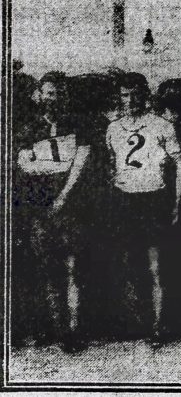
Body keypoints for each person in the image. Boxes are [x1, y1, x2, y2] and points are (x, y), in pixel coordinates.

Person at [14, 71, 92, 353]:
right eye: (48, 93)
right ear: (39, 95)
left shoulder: (79, 124)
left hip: (71, 207)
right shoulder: (28, 128)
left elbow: (79, 166)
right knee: (48, 269)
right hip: (39, 208)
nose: (53, 99)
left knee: (73, 268)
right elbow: (24, 165)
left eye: (58, 93)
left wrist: (61, 194)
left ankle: (73, 331)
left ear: (66, 96)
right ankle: (56, 329)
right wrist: (50, 169)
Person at [105, 72, 181, 349]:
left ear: (146, 95)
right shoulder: (113, 128)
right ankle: (133, 323)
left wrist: (177, 201)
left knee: (157, 266)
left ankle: (159, 326)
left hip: (154, 199)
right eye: (126, 94)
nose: (131, 99)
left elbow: (180, 165)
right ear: (120, 97)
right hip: (125, 200)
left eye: (136, 93)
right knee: (127, 262)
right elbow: (110, 164)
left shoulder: (162, 125)